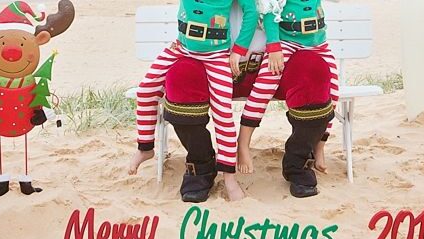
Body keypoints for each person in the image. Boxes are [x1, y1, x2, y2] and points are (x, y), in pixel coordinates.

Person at [162, 21, 334, 200]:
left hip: (275, 69)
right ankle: (200, 164)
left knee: (314, 70)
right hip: (212, 69)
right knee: (180, 76)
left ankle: (298, 162)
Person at [128, 0, 261, 201]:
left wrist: (239, 49)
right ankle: (145, 148)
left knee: (223, 113)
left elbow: (251, 12)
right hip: (181, 49)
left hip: (216, 56)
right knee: (146, 89)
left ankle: (229, 177)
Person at [237, 0, 339, 176]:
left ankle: (319, 145)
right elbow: (269, 9)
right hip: (285, 43)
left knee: (332, 94)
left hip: (317, 43)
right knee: (264, 85)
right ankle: (243, 143)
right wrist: (274, 45)